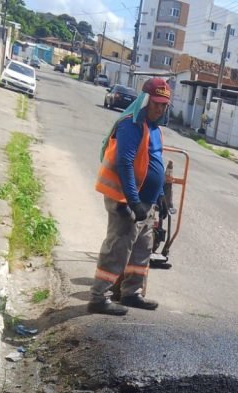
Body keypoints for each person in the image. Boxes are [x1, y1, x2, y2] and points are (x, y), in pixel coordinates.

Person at [88, 77, 171, 315]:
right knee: (118, 246)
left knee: (142, 248)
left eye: (164, 105)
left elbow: (153, 163)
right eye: (156, 103)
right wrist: (134, 201)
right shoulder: (131, 124)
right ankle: (98, 296)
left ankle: (131, 293)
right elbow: (125, 163)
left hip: (146, 203)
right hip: (125, 200)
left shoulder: (154, 129)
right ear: (145, 101)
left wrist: (159, 196)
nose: (160, 108)